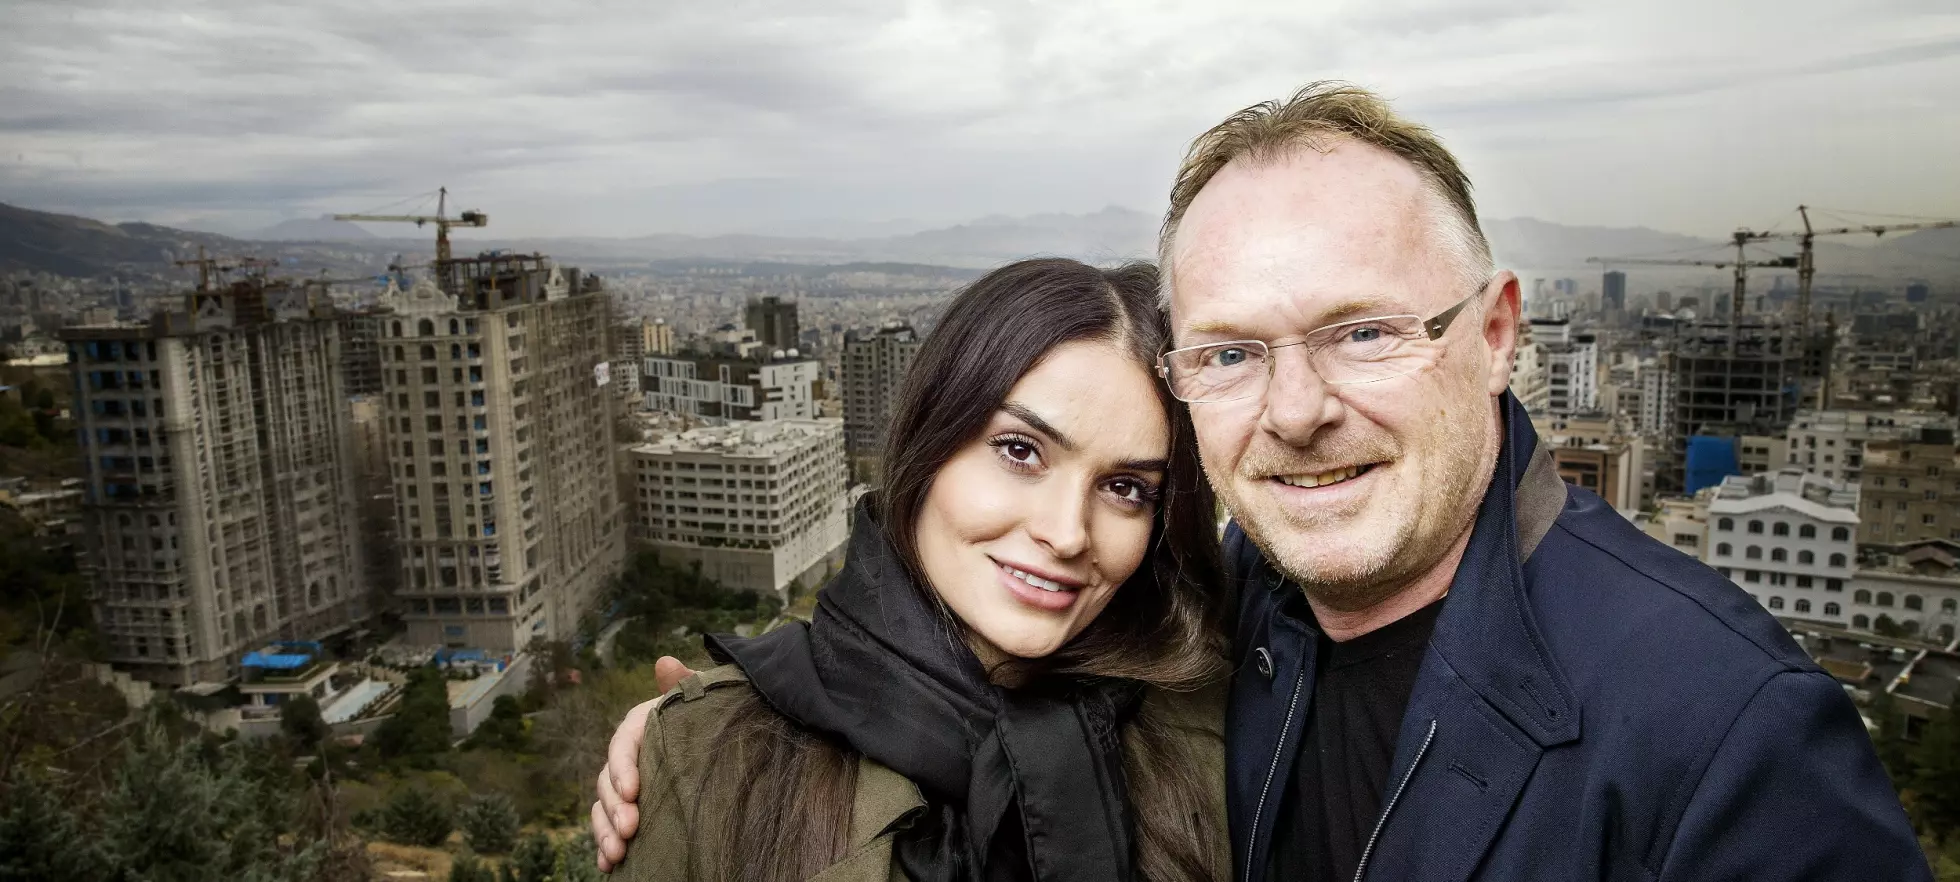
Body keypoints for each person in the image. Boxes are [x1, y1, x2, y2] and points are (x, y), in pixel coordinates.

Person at [597, 84, 1930, 880]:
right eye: (1234, 352)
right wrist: (721, 733)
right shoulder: (1231, 630)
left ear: (1498, 333)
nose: (1297, 412)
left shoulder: (1723, 725)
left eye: (1364, 331)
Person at [601, 258, 1234, 882]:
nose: (1068, 533)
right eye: (1020, 451)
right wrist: (690, 741)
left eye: (1126, 488)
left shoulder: (1218, 745)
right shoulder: (708, 761)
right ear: (929, 446)